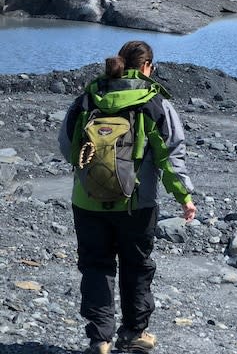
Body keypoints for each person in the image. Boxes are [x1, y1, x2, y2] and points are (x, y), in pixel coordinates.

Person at [59, 40, 196, 354]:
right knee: (136, 266)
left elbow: (67, 147)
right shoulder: (154, 102)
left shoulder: (87, 99)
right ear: (148, 68)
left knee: (96, 266)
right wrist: (184, 196)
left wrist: (91, 172)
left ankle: (99, 339)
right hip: (137, 203)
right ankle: (133, 333)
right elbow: (170, 156)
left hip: (88, 202)